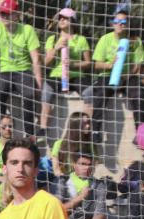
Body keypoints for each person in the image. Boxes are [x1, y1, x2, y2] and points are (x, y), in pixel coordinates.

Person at [86, 10, 144, 161]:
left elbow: (138, 64)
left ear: (128, 24)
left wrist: (127, 76)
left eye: (123, 22)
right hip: (107, 75)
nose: (120, 25)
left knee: (138, 94)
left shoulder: (134, 41)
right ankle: (96, 131)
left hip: (127, 76)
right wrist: (109, 65)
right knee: (100, 95)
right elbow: (96, 64)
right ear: (112, 24)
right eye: (117, 22)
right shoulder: (105, 39)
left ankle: (141, 133)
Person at [0, 0, 43, 138]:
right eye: (2, 14)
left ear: (16, 15)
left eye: (7, 14)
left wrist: (39, 83)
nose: (3, 17)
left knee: (30, 93)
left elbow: (36, 59)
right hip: (3, 71)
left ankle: (29, 133)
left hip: (23, 71)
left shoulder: (27, 30)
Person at [40, 8, 91, 143]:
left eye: (65, 18)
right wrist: (56, 48)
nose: (61, 20)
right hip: (57, 74)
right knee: (47, 90)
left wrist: (73, 64)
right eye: (60, 18)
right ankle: (43, 128)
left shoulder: (81, 39)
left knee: (90, 92)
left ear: (72, 21)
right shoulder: (52, 39)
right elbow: (46, 62)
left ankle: (89, 127)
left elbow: (87, 63)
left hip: (75, 74)